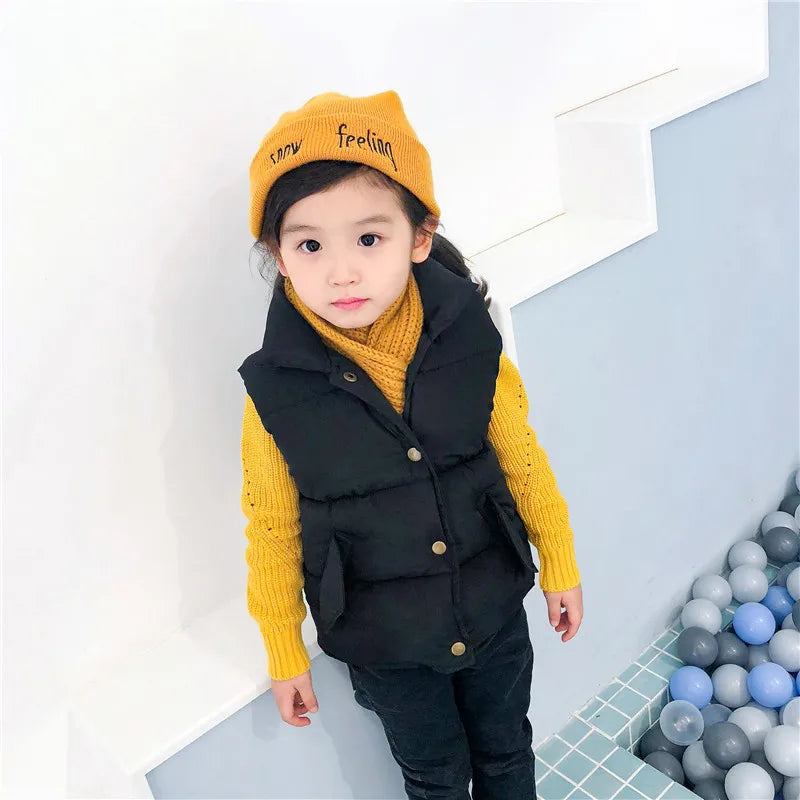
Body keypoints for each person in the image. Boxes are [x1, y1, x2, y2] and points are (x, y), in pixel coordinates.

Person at [238, 89, 583, 800]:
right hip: (385, 641)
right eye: (310, 245)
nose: (341, 272)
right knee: (434, 778)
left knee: (507, 754)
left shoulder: (469, 337)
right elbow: (271, 526)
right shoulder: (274, 390)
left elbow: (521, 457)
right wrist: (283, 646)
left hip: (491, 607)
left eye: (368, 239)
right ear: (280, 255)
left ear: (419, 236)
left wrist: (559, 558)